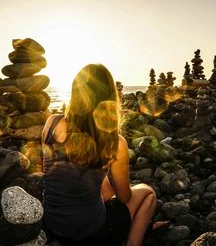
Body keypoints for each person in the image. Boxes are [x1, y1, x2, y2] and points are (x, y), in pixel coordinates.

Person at [41, 64, 167, 246]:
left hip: (53, 224)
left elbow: (56, 170)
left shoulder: (52, 122)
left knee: (103, 185)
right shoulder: (114, 141)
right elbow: (125, 198)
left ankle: (138, 226)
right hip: (91, 230)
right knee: (148, 193)